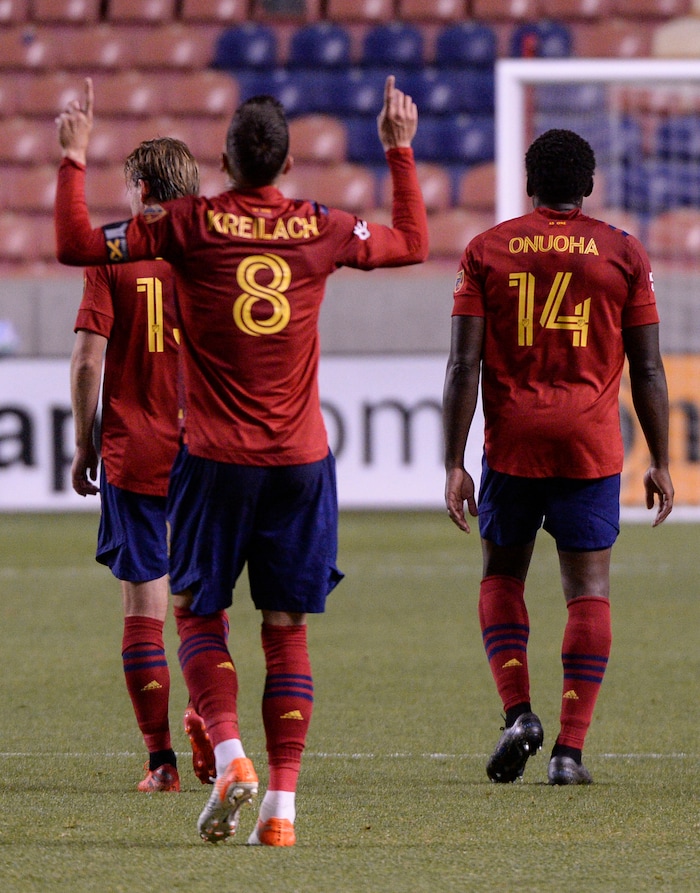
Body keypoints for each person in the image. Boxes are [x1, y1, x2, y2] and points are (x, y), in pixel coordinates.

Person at [55, 75, 428, 844]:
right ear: (289, 165)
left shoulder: (187, 226)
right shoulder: (322, 225)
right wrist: (399, 152)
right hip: (300, 461)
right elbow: (413, 243)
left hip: (215, 458)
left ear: (223, 160)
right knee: (285, 627)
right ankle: (281, 810)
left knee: (197, 611)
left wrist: (71, 157)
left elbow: (76, 244)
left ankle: (227, 754)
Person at [442, 128, 673, 786]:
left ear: (527, 182)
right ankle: (569, 752)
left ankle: (519, 713)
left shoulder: (487, 249)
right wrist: (659, 456)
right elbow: (649, 368)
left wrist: (454, 461)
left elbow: (463, 364)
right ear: (589, 185)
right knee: (588, 591)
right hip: (590, 444)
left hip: (513, 441)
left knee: (502, 575)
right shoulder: (623, 252)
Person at [69, 136, 217, 793]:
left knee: (143, 608)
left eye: (130, 187)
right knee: (203, 604)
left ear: (145, 191)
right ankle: (207, 708)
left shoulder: (114, 252)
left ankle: (160, 762)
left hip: (134, 451)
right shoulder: (217, 250)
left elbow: (86, 359)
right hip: (210, 451)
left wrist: (83, 440)